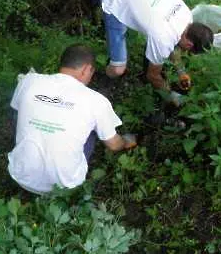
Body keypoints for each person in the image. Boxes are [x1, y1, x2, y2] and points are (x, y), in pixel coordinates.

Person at [8, 44, 136, 194]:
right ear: (86, 69)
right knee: (94, 128)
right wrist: (127, 141)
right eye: (92, 72)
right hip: (63, 186)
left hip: (20, 175)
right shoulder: (96, 101)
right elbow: (114, 145)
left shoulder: (28, 81)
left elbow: (17, 109)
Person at [101, 0, 214, 105]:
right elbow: (152, 76)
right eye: (189, 50)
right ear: (189, 45)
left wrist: (181, 72)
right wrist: (173, 96)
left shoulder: (187, 16)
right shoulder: (163, 38)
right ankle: (104, 80)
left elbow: (175, 44)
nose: (185, 52)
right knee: (118, 69)